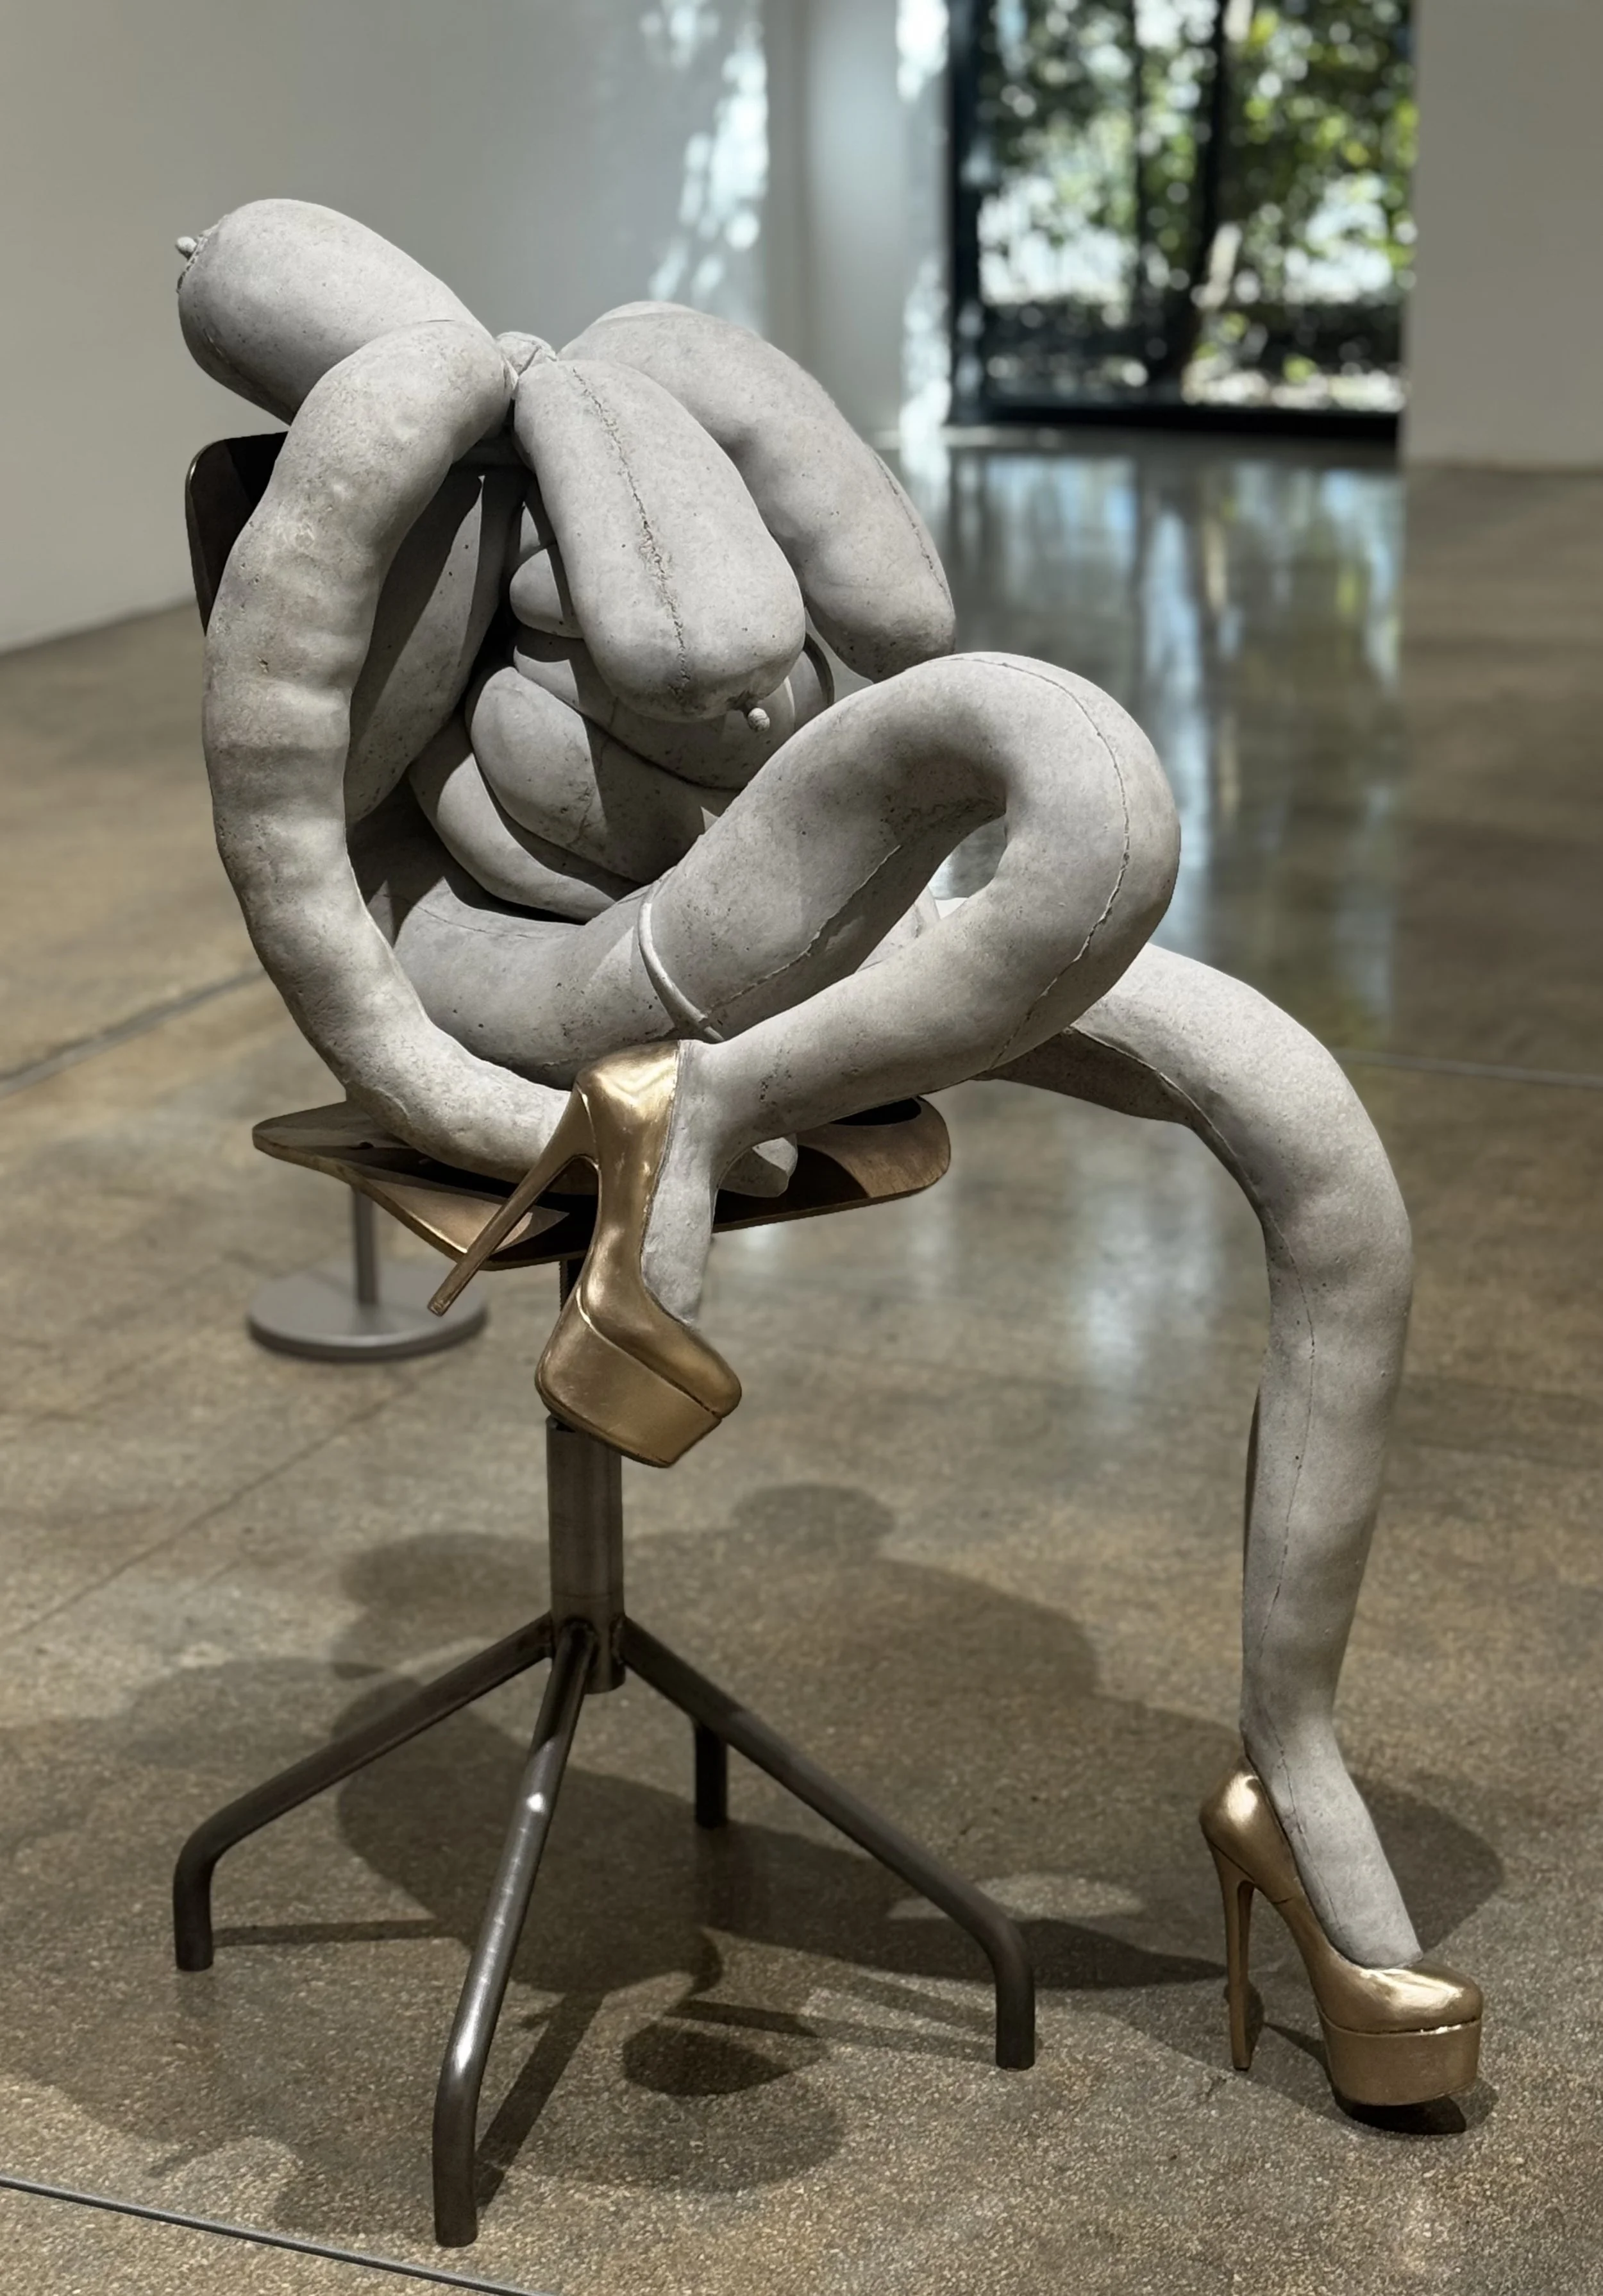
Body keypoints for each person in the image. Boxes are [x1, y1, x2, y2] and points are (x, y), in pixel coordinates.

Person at [184, 199, 1479, 2107]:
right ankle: (692, 1104)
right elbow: (305, 869)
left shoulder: (633, 386)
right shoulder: (381, 454)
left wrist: (644, 437)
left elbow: (882, 621)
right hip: (551, 971)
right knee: (1077, 775)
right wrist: (500, 1114)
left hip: (762, 939)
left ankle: (1290, 1763)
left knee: (1317, 1147)